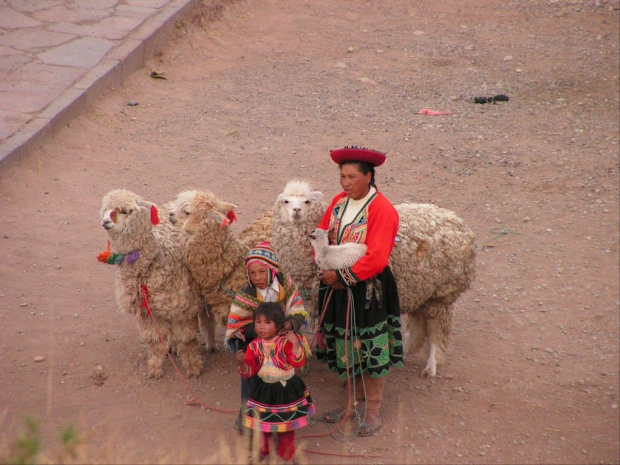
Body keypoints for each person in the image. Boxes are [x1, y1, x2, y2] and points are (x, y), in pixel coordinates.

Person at [315, 145, 403, 437]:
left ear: (368, 176)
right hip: (337, 285)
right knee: (345, 344)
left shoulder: (382, 209)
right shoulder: (338, 202)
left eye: (352, 176)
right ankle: (351, 404)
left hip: (368, 288)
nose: (345, 183)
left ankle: (373, 409)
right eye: (342, 176)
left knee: (371, 346)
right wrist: (321, 260)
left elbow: (377, 258)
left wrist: (342, 276)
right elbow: (323, 232)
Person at [225, 241, 309, 435]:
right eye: (252, 273)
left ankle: (280, 421)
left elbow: (297, 310)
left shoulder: (285, 286)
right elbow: (238, 325)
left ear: (272, 270)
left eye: (262, 272)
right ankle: (247, 422)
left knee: (280, 384)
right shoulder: (246, 294)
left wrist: (289, 325)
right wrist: (266, 331)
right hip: (254, 346)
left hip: (281, 344)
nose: (257, 278)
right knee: (252, 384)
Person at [236, 302, 314, 463]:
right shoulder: (254, 345)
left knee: (286, 427)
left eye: (267, 322)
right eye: (258, 322)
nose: (261, 327)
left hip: (285, 390)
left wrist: (295, 344)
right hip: (264, 389)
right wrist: (242, 364)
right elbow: (251, 370)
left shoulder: (285, 343)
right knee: (262, 425)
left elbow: (297, 362)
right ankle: (263, 451)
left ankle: (287, 455)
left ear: (278, 325)